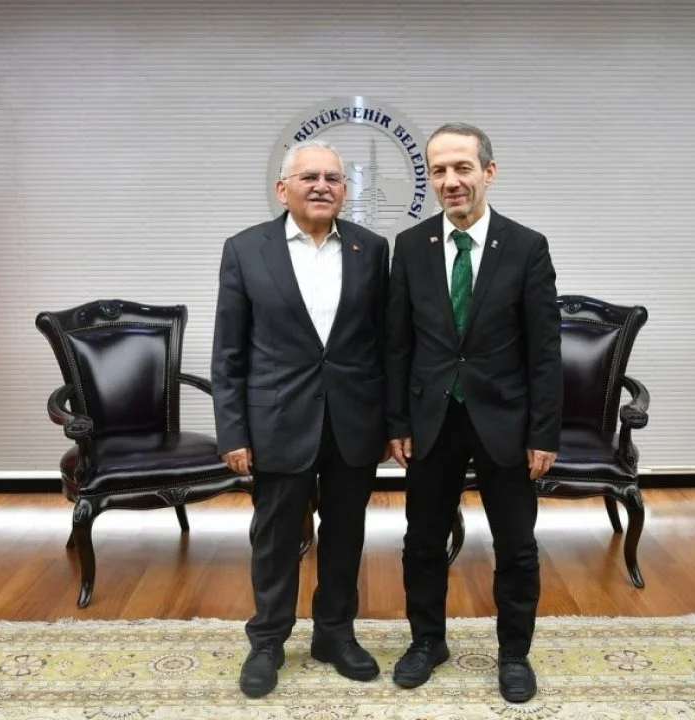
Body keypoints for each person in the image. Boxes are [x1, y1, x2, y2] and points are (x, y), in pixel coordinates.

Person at [385, 122, 562, 703]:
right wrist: (397, 422)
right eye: (438, 170)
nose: (450, 181)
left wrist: (543, 432)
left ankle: (514, 654)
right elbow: (397, 344)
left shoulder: (527, 247)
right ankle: (426, 641)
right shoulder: (411, 246)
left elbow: (544, 351)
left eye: (462, 167)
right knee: (421, 541)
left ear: (488, 172)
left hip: (505, 422)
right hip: (431, 420)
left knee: (516, 546)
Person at [211, 139, 390, 697]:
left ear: (345, 190)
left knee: (345, 534)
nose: (321, 186)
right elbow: (228, 352)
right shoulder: (246, 249)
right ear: (282, 188)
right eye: (309, 177)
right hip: (277, 420)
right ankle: (267, 640)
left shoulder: (371, 249)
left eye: (333, 178)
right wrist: (233, 431)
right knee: (276, 538)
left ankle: (335, 635)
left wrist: (391, 423)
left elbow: (385, 345)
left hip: (353, 421)